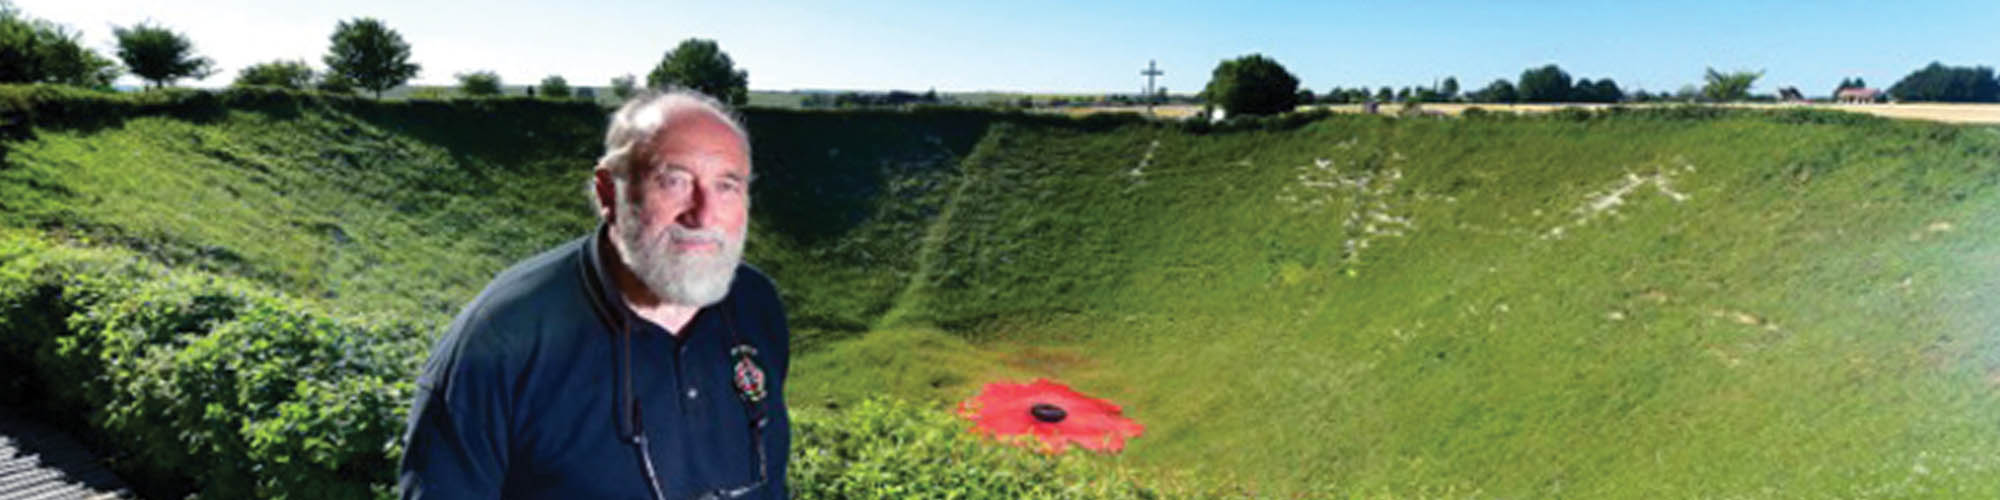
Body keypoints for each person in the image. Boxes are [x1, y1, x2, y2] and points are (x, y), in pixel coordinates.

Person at [400, 89, 790, 499]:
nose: (704, 214)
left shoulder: (755, 302)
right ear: (608, 192)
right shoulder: (500, 340)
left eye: (727, 185)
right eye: (672, 181)